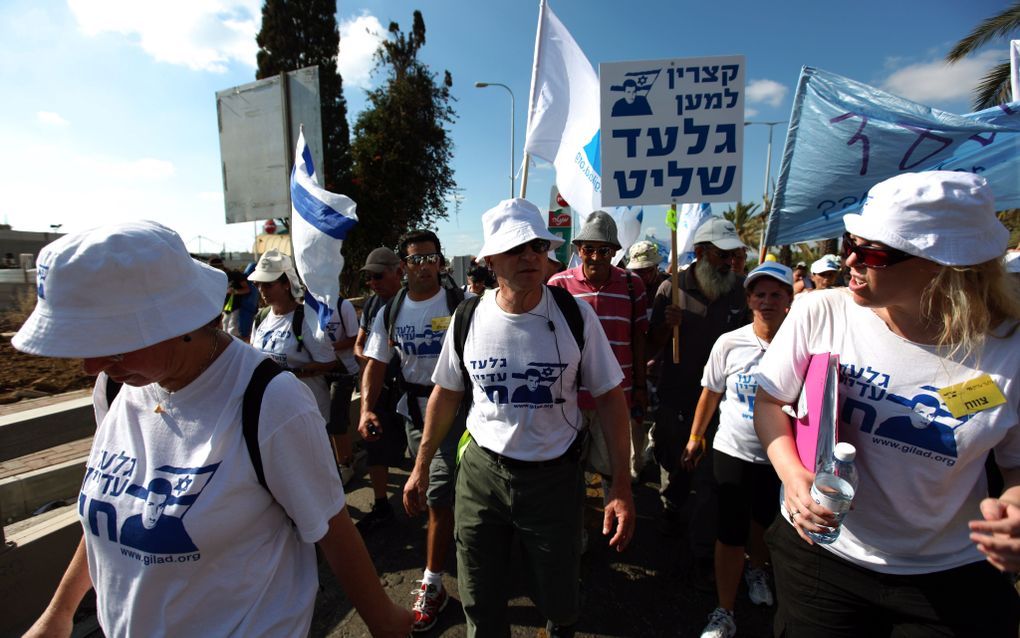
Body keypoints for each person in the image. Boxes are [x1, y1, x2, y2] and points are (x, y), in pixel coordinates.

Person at [15, 221, 411, 638]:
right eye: (82, 346)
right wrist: (59, 612)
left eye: (110, 344)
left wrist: (383, 621)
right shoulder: (116, 389)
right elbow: (114, 513)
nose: (89, 366)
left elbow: (331, 526)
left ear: (177, 320)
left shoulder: (270, 402)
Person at [754, 171, 1020, 636]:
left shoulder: (1008, 349)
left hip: (950, 577)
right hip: (824, 558)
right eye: (849, 242)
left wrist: (1015, 507)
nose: (849, 259)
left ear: (944, 264)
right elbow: (770, 402)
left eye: (873, 252)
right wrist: (793, 477)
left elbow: (1015, 465)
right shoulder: (822, 311)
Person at [404, 198, 635, 638]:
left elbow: (609, 398)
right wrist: (419, 467)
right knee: (480, 598)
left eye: (537, 246)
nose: (530, 256)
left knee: (561, 599)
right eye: (515, 248)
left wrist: (621, 486)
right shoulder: (468, 316)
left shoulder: (575, 314)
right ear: (490, 260)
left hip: (554, 480)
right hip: (481, 474)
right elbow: (447, 393)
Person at [360, 230, 465, 633]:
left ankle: (433, 583)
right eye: (415, 259)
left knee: (435, 492)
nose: (423, 266)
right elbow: (375, 362)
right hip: (412, 414)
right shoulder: (393, 310)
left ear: (441, 261)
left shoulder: (462, 306)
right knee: (435, 493)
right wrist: (367, 407)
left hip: (456, 414)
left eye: (430, 258)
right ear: (404, 266)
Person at [682, 263, 794, 638]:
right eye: (759, 294)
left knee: (763, 523)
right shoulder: (729, 342)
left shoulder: (803, 346)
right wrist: (695, 438)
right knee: (729, 531)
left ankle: (757, 569)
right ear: (748, 300)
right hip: (732, 450)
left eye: (775, 294)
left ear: (789, 300)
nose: (766, 301)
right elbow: (710, 392)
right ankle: (724, 610)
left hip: (780, 458)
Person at [646, 216, 749, 566]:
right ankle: (670, 509)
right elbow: (649, 347)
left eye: (732, 255)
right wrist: (665, 327)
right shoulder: (669, 289)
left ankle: (702, 555)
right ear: (701, 253)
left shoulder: (741, 289)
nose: (729, 262)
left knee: (708, 482)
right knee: (674, 468)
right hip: (675, 398)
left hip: (721, 405)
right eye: (722, 255)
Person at [549, 211, 648, 506]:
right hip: (569, 398)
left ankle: (614, 523)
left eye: (603, 249)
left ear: (615, 252)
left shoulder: (633, 285)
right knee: (569, 471)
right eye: (588, 249)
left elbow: (639, 338)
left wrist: (641, 388)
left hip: (615, 398)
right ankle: (574, 532)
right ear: (579, 250)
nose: (595, 256)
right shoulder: (558, 285)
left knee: (613, 471)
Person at [353, 247, 409, 534]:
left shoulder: (414, 300)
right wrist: (372, 358)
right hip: (381, 387)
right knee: (375, 444)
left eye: (378, 275)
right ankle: (381, 504)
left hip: (412, 389)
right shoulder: (373, 305)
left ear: (398, 272)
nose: (373, 283)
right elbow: (359, 343)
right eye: (369, 278)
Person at [247, 250, 336, 424]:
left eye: (268, 284)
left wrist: (291, 373)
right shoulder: (261, 318)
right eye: (258, 284)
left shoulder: (306, 319)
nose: (262, 290)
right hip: (273, 411)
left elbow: (328, 361)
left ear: (286, 283)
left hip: (306, 409)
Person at [325, 291, 361, 484]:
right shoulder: (308, 307)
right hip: (320, 372)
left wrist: (328, 348)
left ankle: (345, 464)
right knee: (326, 419)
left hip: (344, 370)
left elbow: (354, 337)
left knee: (337, 420)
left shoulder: (342, 305)